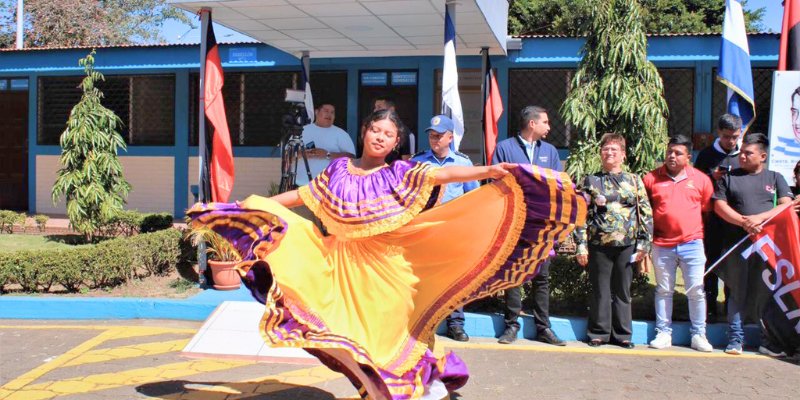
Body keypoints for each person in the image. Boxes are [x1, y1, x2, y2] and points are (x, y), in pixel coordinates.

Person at [188, 109, 586, 399]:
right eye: (375, 129)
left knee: (386, 339)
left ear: (396, 143)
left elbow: (442, 174)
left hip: (386, 271)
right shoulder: (336, 172)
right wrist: (247, 207)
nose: (379, 136)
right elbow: (300, 197)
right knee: (342, 337)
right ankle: (383, 389)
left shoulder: (400, 173)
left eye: (388, 133)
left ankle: (418, 383)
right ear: (364, 132)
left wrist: (488, 172)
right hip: (339, 268)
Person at [712, 133, 794, 356]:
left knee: (766, 293)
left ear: (763, 156)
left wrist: (761, 219)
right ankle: (735, 339)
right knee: (736, 291)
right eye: (742, 153)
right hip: (737, 245)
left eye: (749, 153)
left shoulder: (775, 178)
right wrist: (743, 222)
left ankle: (768, 341)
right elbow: (719, 205)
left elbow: (788, 205)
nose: (743, 157)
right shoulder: (729, 178)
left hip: (767, 248)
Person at [491, 105, 565, 346]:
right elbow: (497, 181)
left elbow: (557, 185)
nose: (549, 127)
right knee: (514, 276)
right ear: (532, 124)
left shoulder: (551, 151)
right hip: (514, 221)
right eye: (545, 122)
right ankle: (511, 325)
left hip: (542, 224)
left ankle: (544, 327)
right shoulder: (505, 148)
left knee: (542, 277)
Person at [575, 133, 652, 349]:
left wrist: (644, 244)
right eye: (605, 149)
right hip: (599, 245)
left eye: (614, 150)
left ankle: (623, 334)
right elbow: (582, 214)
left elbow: (644, 212)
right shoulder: (590, 180)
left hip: (626, 245)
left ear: (623, 155)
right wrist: (581, 245)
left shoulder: (635, 181)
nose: (609, 153)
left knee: (622, 290)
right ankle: (598, 333)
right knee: (600, 290)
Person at [643, 135, 714, 352]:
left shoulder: (701, 180)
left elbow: (707, 210)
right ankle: (664, 332)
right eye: (669, 152)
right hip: (662, 244)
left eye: (678, 153)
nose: (672, 156)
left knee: (696, 290)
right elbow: (645, 210)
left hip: (692, 243)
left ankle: (699, 334)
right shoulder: (651, 178)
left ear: (688, 157)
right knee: (664, 289)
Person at [410, 115, 478, 342]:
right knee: (423, 277)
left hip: (453, 229)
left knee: (454, 278)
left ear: (450, 137)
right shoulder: (418, 161)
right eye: (431, 136)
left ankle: (455, 324)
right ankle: (420, 322)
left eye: (439, 136)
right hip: (425, 228)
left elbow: (473, 197)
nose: (434, 140)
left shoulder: (463, 163)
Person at [694, 114, 741, 319]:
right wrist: (710, 178)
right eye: (726, 136)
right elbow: (694, 184)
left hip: (737, 218)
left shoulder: (744, 155)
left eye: (735, 137)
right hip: (712, 219)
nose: (731, 141)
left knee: (734, 263)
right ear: (719, 133)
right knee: (711, 262)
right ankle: (710, 307)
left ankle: (733, 306)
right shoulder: (706, 155)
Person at [296, 102, 356, 187]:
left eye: (332, 112)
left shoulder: (341, 134)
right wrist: (301, 154)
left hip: (330, 187)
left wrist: (327, 154)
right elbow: (287, 156)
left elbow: (352, 158)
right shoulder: (302, 131)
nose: (329, 114)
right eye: (326, 111)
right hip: (300, 185)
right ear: (316, 112)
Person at [372, 96, 415, 163]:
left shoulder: (405, 133)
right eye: (375, 107)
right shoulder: (370, 129)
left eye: (379, 107)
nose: (375, 110)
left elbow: (407, 164)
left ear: (391, 110)